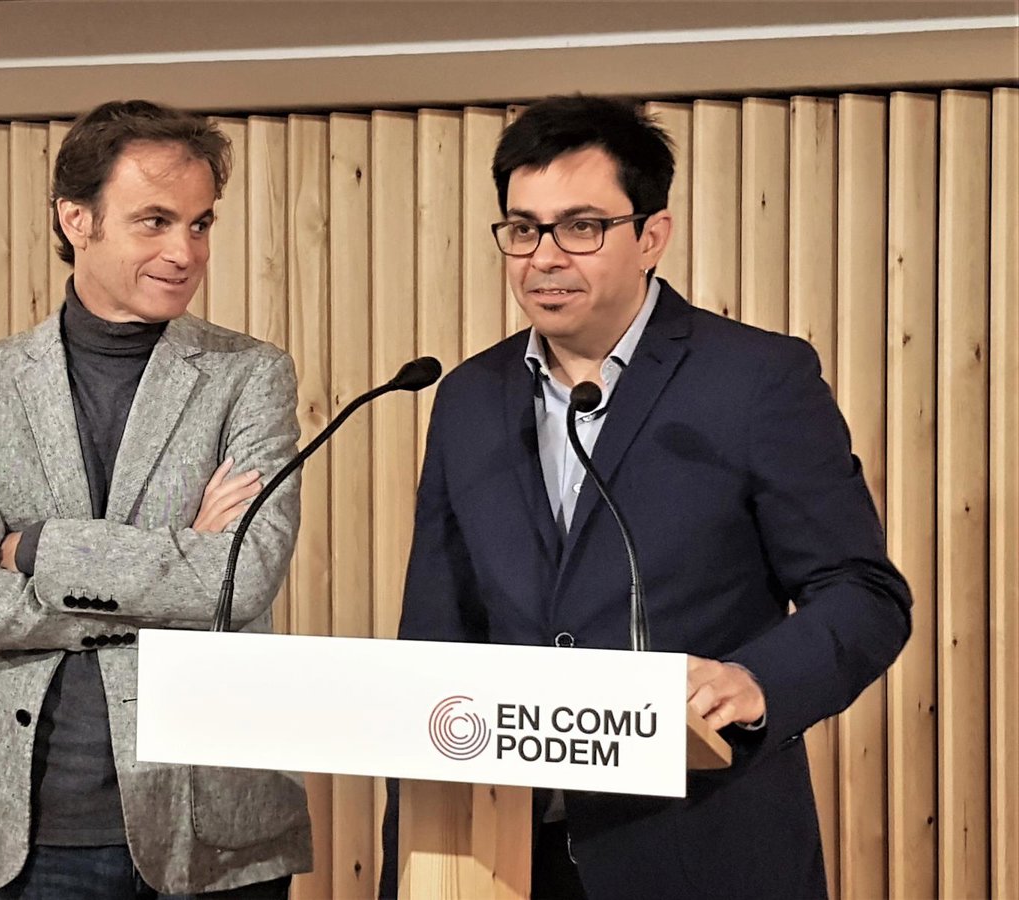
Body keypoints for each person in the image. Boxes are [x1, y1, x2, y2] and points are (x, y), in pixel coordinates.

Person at [385, 95, 911, 899]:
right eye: (523, 229)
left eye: (581, 227)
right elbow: (437, 635)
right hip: (499, 853)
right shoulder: (467, 398)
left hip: (698, 848)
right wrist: (407, 864)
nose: (544, 258)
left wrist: (756, 680)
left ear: (652, 236)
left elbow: (864, 592)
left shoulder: (755, 381)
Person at [0, 100, 311, 899]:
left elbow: (240, 581)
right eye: (155, 221)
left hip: (216, 815)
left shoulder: (251, 375)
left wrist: (38, 550)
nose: (184, 251)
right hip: (36, 824)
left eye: (200, 224)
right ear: (77, 220)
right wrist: (176, 569)